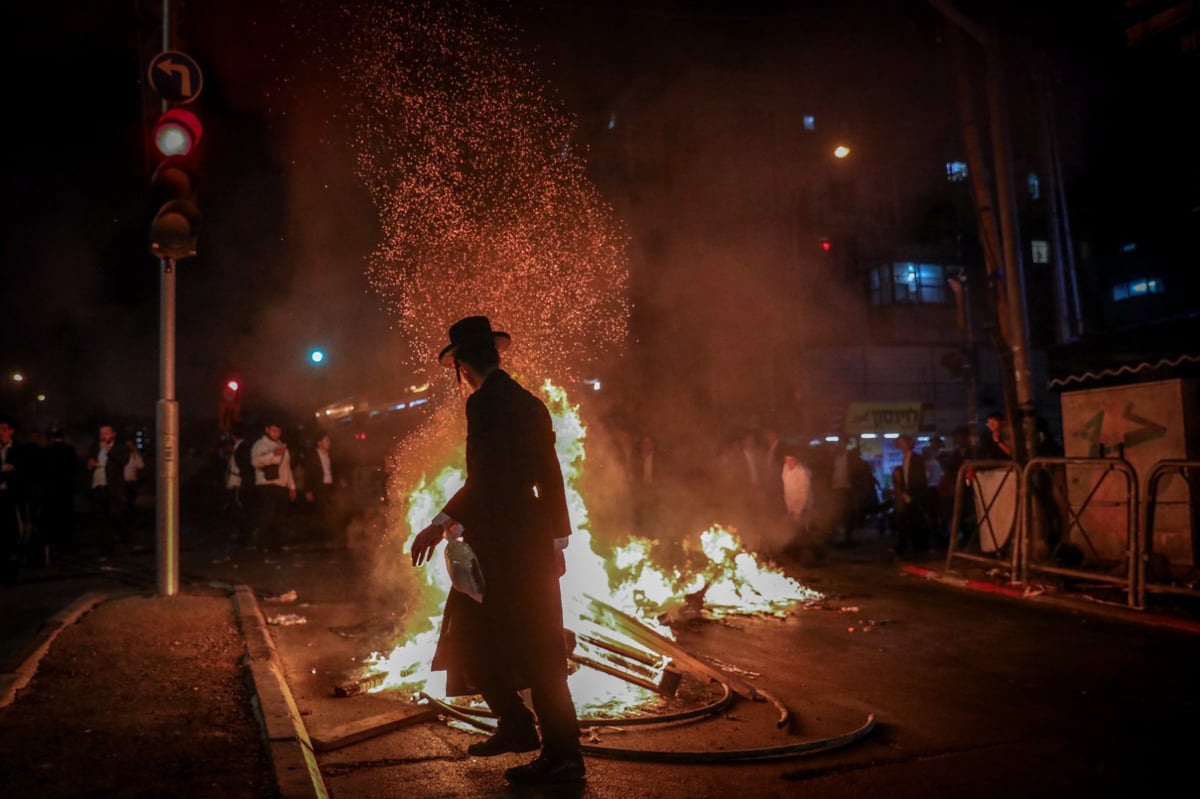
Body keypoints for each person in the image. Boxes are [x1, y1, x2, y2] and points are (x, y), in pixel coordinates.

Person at [410, 316, 584, 785]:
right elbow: (550, 475)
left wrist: (438, 524)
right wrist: (555, 541)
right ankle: (523, 730)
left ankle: (557, 753)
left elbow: (484, 480)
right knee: (536, 644)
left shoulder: (484, 404)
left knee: (473, 636)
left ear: (462, 366)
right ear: (496, 356)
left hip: (502, 543)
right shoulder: (532, 404)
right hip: (529, 536)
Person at [251, 420, 296, 554]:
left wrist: (292, 486)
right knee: (267, 516)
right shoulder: (260, 445)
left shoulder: (282, 445)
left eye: (279, 431)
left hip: (281, 485)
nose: (277, 434)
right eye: (274, 431)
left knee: (280, 517)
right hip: (266, 485)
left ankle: (276, 544)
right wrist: (274, 454)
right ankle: (261, 543)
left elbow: (287, 468)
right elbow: (255, 462)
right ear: (267, 430)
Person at [87, 424, 128, 552]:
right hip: (98, 486)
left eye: (106, 433)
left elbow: (123, 461)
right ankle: (106, 545)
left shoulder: (119, 448)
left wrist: (108, 450)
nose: (103, 436)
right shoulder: (96, 447)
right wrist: (90, 464)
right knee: (101, 517)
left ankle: (125, 539)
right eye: (101, 434)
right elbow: (90, 461)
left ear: (113, 434)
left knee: (115, 515)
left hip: (112, 487)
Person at [0, 416, 31, 583]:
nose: (0, 432)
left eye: (4, 429)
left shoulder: (19, 450)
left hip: (12, 497)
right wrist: (5, 470)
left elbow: (21, 473)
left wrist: (8, 472)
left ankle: (12, 568)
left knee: (12, 532)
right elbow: (9, 471)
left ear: (11, 431)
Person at [303, 432, 344, 547]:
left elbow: (334, 470)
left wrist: (339, 481)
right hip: (319, 487)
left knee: (331, 512)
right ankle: (318, 538)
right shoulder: (313, 456)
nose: (328, 443)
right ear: (319, 443)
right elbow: (308, 473)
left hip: (329, 486)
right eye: (326, 441)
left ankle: (331, 538)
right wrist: (308, 490)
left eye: (329, 441)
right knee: (322, 512)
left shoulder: (330, 456)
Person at [122, 439, 145, 528]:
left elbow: (141, 466)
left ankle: (131, 522)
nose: (129, 448)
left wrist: (136, 455)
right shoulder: (123, 456)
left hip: (132, 482)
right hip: (124, 482)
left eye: (131, 446)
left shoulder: (135, 456)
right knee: (123, 503)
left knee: (131, 503)